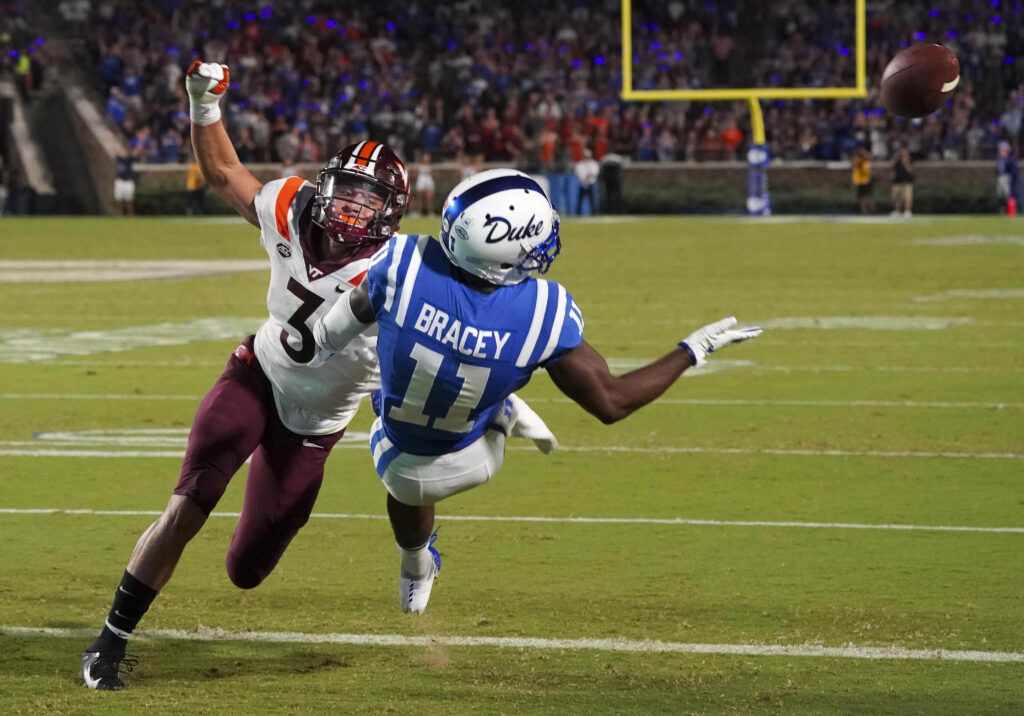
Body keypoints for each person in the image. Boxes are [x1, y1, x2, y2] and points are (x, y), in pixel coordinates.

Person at [81, 61, 412, 691]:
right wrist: (204, 104)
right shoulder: (292, 207)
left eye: (365, 199)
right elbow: (225, 173)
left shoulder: (399, 270)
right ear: (325, 183)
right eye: (345, 189)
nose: (348, 207)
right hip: (257, 374)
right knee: (189, 503)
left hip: (316, 425)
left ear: (389, 212)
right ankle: (109, 643)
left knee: (247, 569)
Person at [313, 169, 762, 615]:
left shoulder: (403, 261)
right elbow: (612, 402)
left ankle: (417, 562)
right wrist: (691, 350)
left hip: (400, 461)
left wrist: (325, 343)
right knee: (462, 386)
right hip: (478, 459)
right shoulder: (543, 312)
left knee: (393, 420)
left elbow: (343, 320)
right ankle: (500, 407)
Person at [573, 148, 600, 215]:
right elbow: (577, 173)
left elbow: (595, 173)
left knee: (592, 200)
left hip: (591, 183)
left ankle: (594, 214)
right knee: (579, 200)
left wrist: (588, 178)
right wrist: (582, 179)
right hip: (582, 184)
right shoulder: (579, 164)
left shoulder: (593, 164)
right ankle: (578, 214)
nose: (585, 157)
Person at [996, 141, 1019, 214]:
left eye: (1002, 150)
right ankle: (1002, 209)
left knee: (1009, 195)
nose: (1000, 151)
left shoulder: (1011, 159)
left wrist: (1010, 178)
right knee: (1000, 195)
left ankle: (1011, 211)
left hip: (1008, 179)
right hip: (1000, 178)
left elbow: (1014, 170)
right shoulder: (999, 159)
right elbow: (998, 170)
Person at [113, 143, 137, 216]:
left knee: (129, 199)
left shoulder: (130, 159)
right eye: (124, 151)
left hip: (128, 181)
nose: (125, 152)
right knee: (119, 199)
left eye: (126, 151)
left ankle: (130, 214)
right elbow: (114, 152)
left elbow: (136, 153)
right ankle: (120, 214)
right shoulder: (119, 159)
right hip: (120, 181)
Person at [890, 149, 914, 218]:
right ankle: (897, 211)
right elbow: (892, 166)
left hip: (906, 182)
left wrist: (906, 163)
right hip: (897, 182)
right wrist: (896, 159)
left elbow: (910, 171)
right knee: (896, 198)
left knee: (907, 197)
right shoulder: (897, 162)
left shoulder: (910, 161)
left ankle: (907, 211)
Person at [852, 147, 874, 214]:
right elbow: (854, 165)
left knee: (868, 196)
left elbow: (871, 157)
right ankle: (864, 211)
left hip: (866, 180)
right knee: (861, 197)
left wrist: (863, 153)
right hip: (859, 180)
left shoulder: (866, 159)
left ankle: (872, 211)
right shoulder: (857, 159)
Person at [184, 150, 206, 215]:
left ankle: (198, 211)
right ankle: (190, 211)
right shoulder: (192, 167)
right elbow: (197, 176)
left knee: (199, 201)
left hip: (199, 187)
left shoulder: (198, 166)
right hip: (191, 186)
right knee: (190, 201)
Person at [413, 152, 435, 216]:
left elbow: (434, 174)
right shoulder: (419, 165)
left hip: (428, 179)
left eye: (427, 157)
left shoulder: (431, 165)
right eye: (425, 157)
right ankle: (418, 212)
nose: (426, 159)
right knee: (419, 197)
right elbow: (415, 174)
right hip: (421, 179)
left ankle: (431, 213)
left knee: (429, 198)